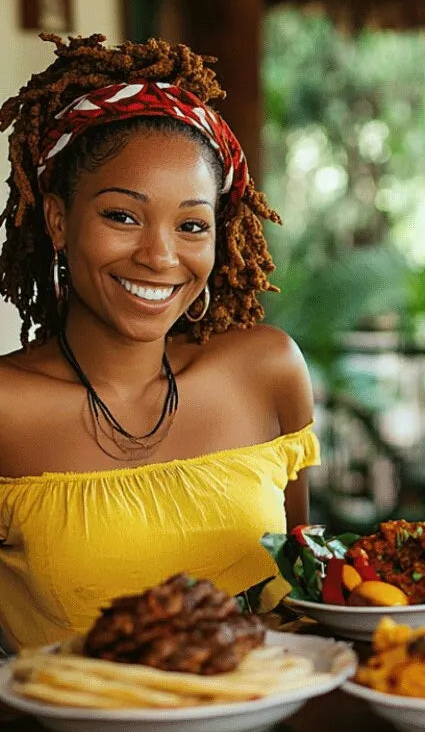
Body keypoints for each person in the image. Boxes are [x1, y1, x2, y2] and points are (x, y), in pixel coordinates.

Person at [0, 34, 319, 651]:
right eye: (122, 216)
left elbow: (307, 589)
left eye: (192, 225)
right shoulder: (6, 408)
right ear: (59, 220)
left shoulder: (267, 370)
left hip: (275, 730)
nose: (160, 256)